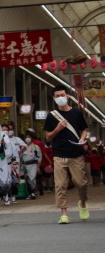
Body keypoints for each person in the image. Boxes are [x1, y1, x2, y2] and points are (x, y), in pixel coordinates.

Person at [43, 85, 89, 224]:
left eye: (62, 95)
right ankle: (64, 213)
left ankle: (82, 202)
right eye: (57, 96)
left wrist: (81, 139)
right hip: (59, 154)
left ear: (68, 96)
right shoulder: (52, 116)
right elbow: (48, 138)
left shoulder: (76, 113)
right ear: (54, 98)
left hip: (76, 154)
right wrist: (57, 129)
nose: (60, 98)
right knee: (60, 185)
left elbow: (84, 129)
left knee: (80, 183)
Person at [22, 132, 42, 200]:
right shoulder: (23, 147)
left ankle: (33, 191)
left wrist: (38, 166)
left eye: (29, 137)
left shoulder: (36, 147)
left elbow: (39, 157)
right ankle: (29, 193)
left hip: (33, 164)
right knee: (27, 179)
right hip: (25, 165)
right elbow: (19, 156)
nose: (28, 138)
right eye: (26, 137)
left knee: (32, 178)